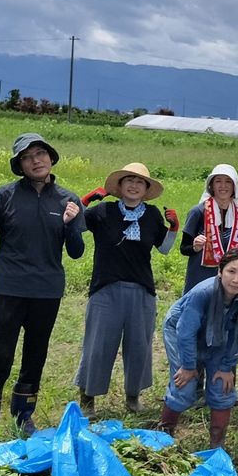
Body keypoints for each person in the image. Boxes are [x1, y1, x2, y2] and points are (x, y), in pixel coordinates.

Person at [0, 132, 85, 434]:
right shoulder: (4, 196)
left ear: (51, 157)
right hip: (9, 287)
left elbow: (77, 252)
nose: (36, 160)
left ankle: (23, 413)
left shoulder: (69, 200)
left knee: (36, 352)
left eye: (41, 153)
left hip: (47, 290)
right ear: (20, 165)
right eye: (27, 157)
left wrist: (70, 226)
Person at [74, 162, 179, 416]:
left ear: (146, 189)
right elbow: (75, 224)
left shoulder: (152, 215)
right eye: (128, 180)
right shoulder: (103, 211)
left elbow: (163, 248)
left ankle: (133, 397)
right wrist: (85, 200)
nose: (134, 185)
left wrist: (174, 228)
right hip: (105, 288)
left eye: (140, 182)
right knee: (98, 344)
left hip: (141, 290)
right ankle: (87, 399)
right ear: (119, 187)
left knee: (138, 345)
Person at [157, 248, 238, 448]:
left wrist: (226, 366)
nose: (236, 280)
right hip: (181, 329)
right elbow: (185, 331)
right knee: (184, 385)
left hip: (220, 333)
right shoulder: (203, 292)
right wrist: (188, 366)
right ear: (220, 271)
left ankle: (217, 446)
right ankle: (163, 436)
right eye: (231, 271)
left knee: (222, 386)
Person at [180, 164, 238, 294]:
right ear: (211, 185)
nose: (223, 186)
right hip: (199, 280)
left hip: (228, 283)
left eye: (228, 181)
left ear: (234, 186)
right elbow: (184, 248)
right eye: (218, 181)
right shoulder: (198, 212)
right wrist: (195, 247)